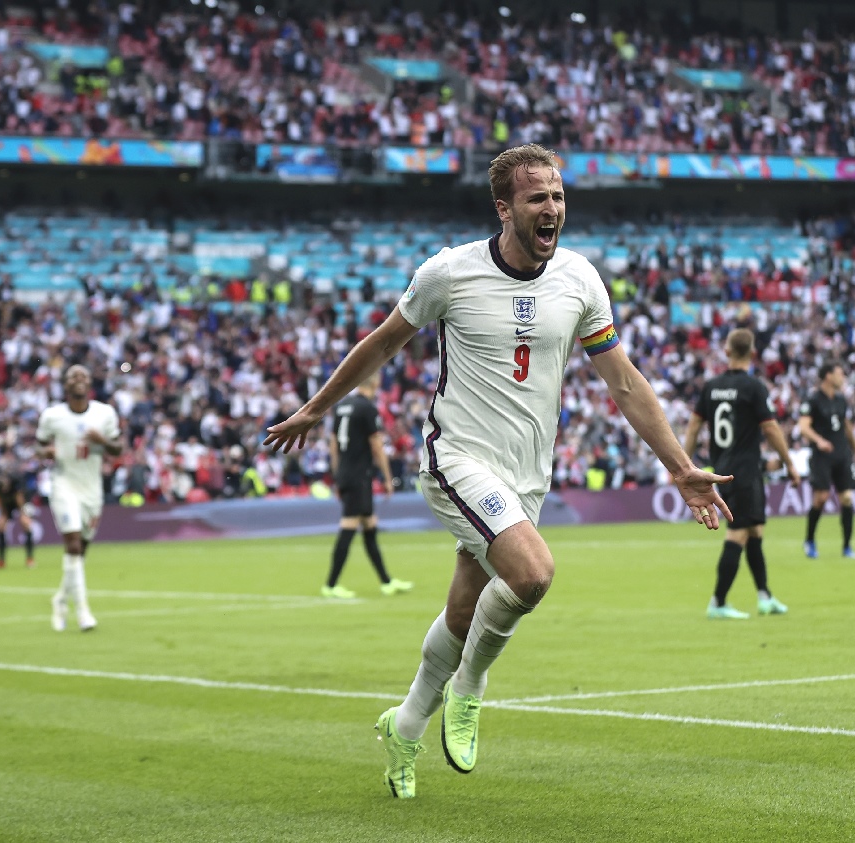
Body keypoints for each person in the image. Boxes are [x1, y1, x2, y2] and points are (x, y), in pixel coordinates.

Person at [264, 143, 733, 799]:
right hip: (456, 456)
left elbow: (624, 382)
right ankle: (472, 687)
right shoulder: (448, 274)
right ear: (504, 207)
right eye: (537, 198)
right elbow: (382, 342)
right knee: (532, 572)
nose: (552, 209)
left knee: (463, 610)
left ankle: (403, 727)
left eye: (559, 197)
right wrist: (315, 408)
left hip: (526, 474)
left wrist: (681, 467)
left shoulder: (579, 280)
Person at [683, 328, 801, 619]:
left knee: (754, 530)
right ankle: (718, 602)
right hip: (745, 472)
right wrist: (789, 463)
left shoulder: (711, 387)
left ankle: (764, 597)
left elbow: (695, 426)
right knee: (738, 533)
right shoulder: (753, 387)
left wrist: (685, 464)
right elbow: (771, 428)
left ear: (726, 351)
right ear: (752, 353)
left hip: (724, 467)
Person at [36, 365, 123, 632]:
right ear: (65, 384)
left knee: (80, 550)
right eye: (73, 376)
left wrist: (102, 441)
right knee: (72, 544)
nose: (79, 379)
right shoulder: (52, 415)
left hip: (91, 489)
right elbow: (40, 445)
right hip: (64, 485)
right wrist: (46, 452)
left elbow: (118, 448)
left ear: (89, 383)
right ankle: (84, 612)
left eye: (84, 375)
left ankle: (60, 599)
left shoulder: (104, 413)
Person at [322, 373, 412, 599]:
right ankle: (331, 585)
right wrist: (388, 477)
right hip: (359, 476)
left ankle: (386, 582)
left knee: (370, 526)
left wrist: (337, 474)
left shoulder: (342, 407)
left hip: (347, 473)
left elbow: (333, 444)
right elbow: (377, 446)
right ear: (376, 384)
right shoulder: (367, 409)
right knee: (349, 526)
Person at [798, 359, 855, 559]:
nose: (842, 377)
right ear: (828, 375)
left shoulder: (841, 400)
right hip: (822, 456)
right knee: (821, 498)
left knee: (847, 498)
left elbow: (846, 426)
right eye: (839, 373)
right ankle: (809, 540)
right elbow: (804, 426)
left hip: (842, 453)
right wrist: (819, 441)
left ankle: (847, 546)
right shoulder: (813, 400)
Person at [0, 460, 35, 569]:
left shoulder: (15, 480)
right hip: (7, 503)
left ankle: (30, 559)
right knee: (0, 525)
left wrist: (23, 514)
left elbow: (19, 498)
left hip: (22, 501)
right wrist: (4, 514)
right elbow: (0, 499)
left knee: (25, 523)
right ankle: (1, 561)